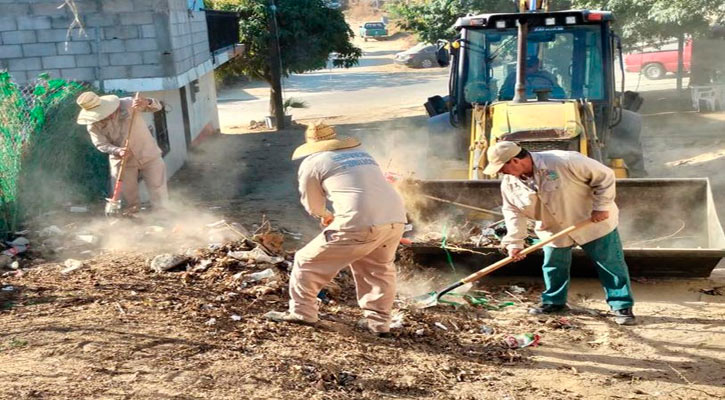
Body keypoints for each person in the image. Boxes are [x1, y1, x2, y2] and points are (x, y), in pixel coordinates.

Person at [265, 121, 407, 336]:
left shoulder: (314, 162)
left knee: (306, 261)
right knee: (377, 268)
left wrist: (324, 216)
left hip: (359, 220)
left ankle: (302, 314)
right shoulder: (362, 154)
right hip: (396, 218)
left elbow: (312, 203)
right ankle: (379, 325)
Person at [484, 141, 635, 325]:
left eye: (502, 168)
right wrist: (515, 242)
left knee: (609, 264)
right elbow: (513, 212)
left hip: (591, 221)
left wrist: (601, 206)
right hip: (553, 228)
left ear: (515, 161)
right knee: (553, 266)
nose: (501, 173)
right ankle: (554, 303)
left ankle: (621, 306)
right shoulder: (509, 183)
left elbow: (605, 176)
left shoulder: (565, 161)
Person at [76, 92, 168, 212]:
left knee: (158, 188)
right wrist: (117, 150)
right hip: (122, 160)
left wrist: (147, 102)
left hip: (148, 153)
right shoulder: (93, 125)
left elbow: (157, 107)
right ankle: (132, 216)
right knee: (128, 194)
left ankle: (163, 215)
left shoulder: (129, 103)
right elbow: (101, 144)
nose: (105, 117)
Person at [498, 55, 566, 100]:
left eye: (529, 66)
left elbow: (559, 93)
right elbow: (502, 95)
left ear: (537, 65)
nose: (526, 68)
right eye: (523, 65)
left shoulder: (547, 76)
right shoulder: (513, 76)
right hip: (516, 105)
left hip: (544, 105)